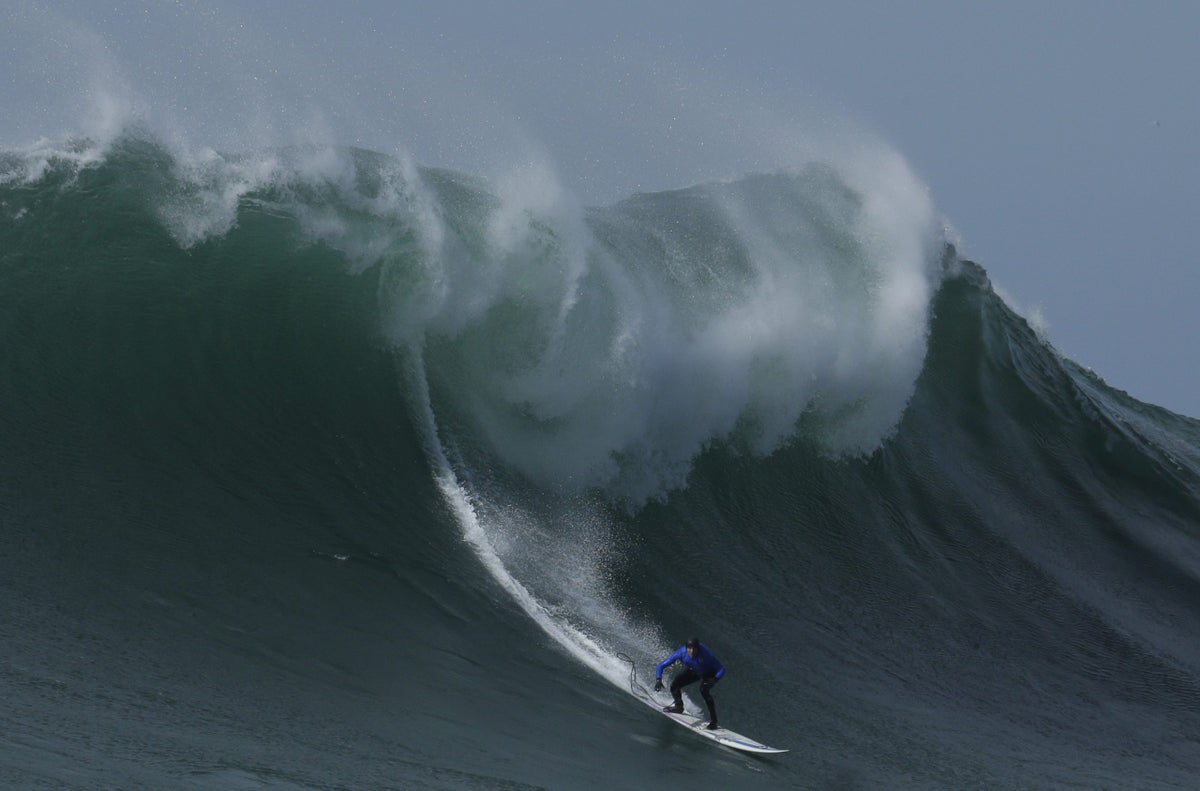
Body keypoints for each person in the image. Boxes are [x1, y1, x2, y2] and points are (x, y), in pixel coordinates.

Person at [654, 637, 725, 730]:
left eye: (694, 649)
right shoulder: (681, 653)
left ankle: (714, 721)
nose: (691, 651)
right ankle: (678, 707)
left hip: (709, 673)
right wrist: (658, 679)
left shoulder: (706, 654)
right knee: (675, 685)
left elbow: (721, 669)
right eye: (689, 648)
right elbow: (661, 665)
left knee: (704, 690)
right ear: (686, 648)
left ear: (698, 648)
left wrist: (714, 679)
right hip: (695, 671)